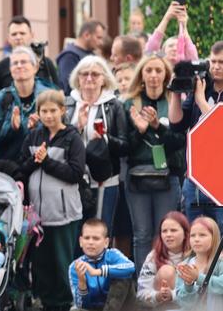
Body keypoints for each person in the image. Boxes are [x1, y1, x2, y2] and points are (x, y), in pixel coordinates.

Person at [17, 89, 86, 311]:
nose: (48, 115)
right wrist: (35, 162)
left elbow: (75, 173)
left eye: (53, 111)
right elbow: (22, 168)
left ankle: (65, 301)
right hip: (38, 215)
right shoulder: (34, 136)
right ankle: (45, 300)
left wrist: (46, 162)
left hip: (63, 213)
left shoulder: (72, 138)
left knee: (62, 260)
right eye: (44, 111)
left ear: (62, 111)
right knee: (41, 262)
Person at [124, 54, 184, 269]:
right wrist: (140, 131)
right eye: (148, 70)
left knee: (165, 234)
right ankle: (144, 286)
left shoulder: (175, 101)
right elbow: (124, 147)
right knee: (141, 235)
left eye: (158, 71)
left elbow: (180, 142)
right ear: (141, 74)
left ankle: (164, 282)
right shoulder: (130, 103)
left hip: (168, 177)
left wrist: (158, 125)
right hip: (137, 178)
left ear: (166, 75)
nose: (153, 76)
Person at [65, 56, 128, 231]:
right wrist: (78, 127)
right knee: (78, 232)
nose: (89, 78)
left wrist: (105, 139)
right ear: (78, 78)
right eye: (84, 74)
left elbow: (125, 145)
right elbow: (60, 141)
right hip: (74, 179)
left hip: (104, 179)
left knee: (100, 229)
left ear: (104, 79)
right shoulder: (68, 104)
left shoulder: (114, 105)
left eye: (95, 74)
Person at [170, 40, 223, 228]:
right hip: (195, 176)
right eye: (213, 62)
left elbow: (219, 128)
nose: (216, 67)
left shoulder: (200, 94)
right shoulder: (202, 87)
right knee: (196, 233)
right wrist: (175, 93)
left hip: (220, 177)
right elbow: (176, 124)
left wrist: (201, 101)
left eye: (221, 63)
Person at [0, 47, 54, 163]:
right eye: (15, 63)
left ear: (35, 67)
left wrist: (39, 126)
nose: (19, 66)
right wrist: (11, 127)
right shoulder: (3, 96)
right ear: (10, 70)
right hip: (8, 166)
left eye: (23, 62)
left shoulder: (48, 95)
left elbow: (59, 134)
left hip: (39, 165)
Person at [69, 219, 136, 311]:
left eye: (96, 238)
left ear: (106, 242)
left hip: (121, 307)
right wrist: (82, 283)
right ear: (80, 241)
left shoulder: (112, 254)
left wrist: (98, 272)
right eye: (87, 238)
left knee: (123, 275)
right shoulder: (74, 266)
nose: (90, 242)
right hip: (94, 308)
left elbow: (131, 267)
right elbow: (81, 305)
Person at [0, 16, 58, 102]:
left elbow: (58, 96)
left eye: (22, 33)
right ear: (8, 38)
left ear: (32, 35)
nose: (18, 37)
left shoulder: (46, 64)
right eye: (14, 34)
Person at [136, 211, 190, 308]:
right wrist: (157, 296)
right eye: (164, 231)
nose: (168, 235)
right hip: (162, 306)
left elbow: (202, 290)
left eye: (173, 230)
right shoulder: (153, 256)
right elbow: (141, 294)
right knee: (166, 271)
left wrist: (172, 295)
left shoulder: (196, 254)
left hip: (193, 306)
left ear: (185, 233)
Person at [176, 217, 223, 310]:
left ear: (214, 237)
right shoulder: (185, 265)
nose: (196, 239)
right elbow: (184, 303)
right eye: (192, 235)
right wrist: (188, 285)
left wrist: (198, 277)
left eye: (202, 235)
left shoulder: (220, 261)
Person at [56, 20, 106, 94]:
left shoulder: (92, 55)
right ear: (86, 35)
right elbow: (69, 87)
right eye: (98, 38)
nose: (101, 42)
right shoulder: (69, 56)